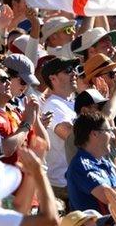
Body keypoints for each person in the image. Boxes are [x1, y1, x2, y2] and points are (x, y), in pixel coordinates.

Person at [66, 112, 116, 214]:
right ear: (94, 134)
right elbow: (111, 198)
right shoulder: (80, 165)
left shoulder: (108, 164)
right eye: (109, 131)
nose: (113, 136)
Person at [41, 57, 80, 202]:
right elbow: (72, 137)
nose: (74, 73)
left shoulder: (73, 102)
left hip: (74, 181)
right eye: (68, 70)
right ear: (53, 78)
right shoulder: (53, 105)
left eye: (75, 69)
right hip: (62, 187)